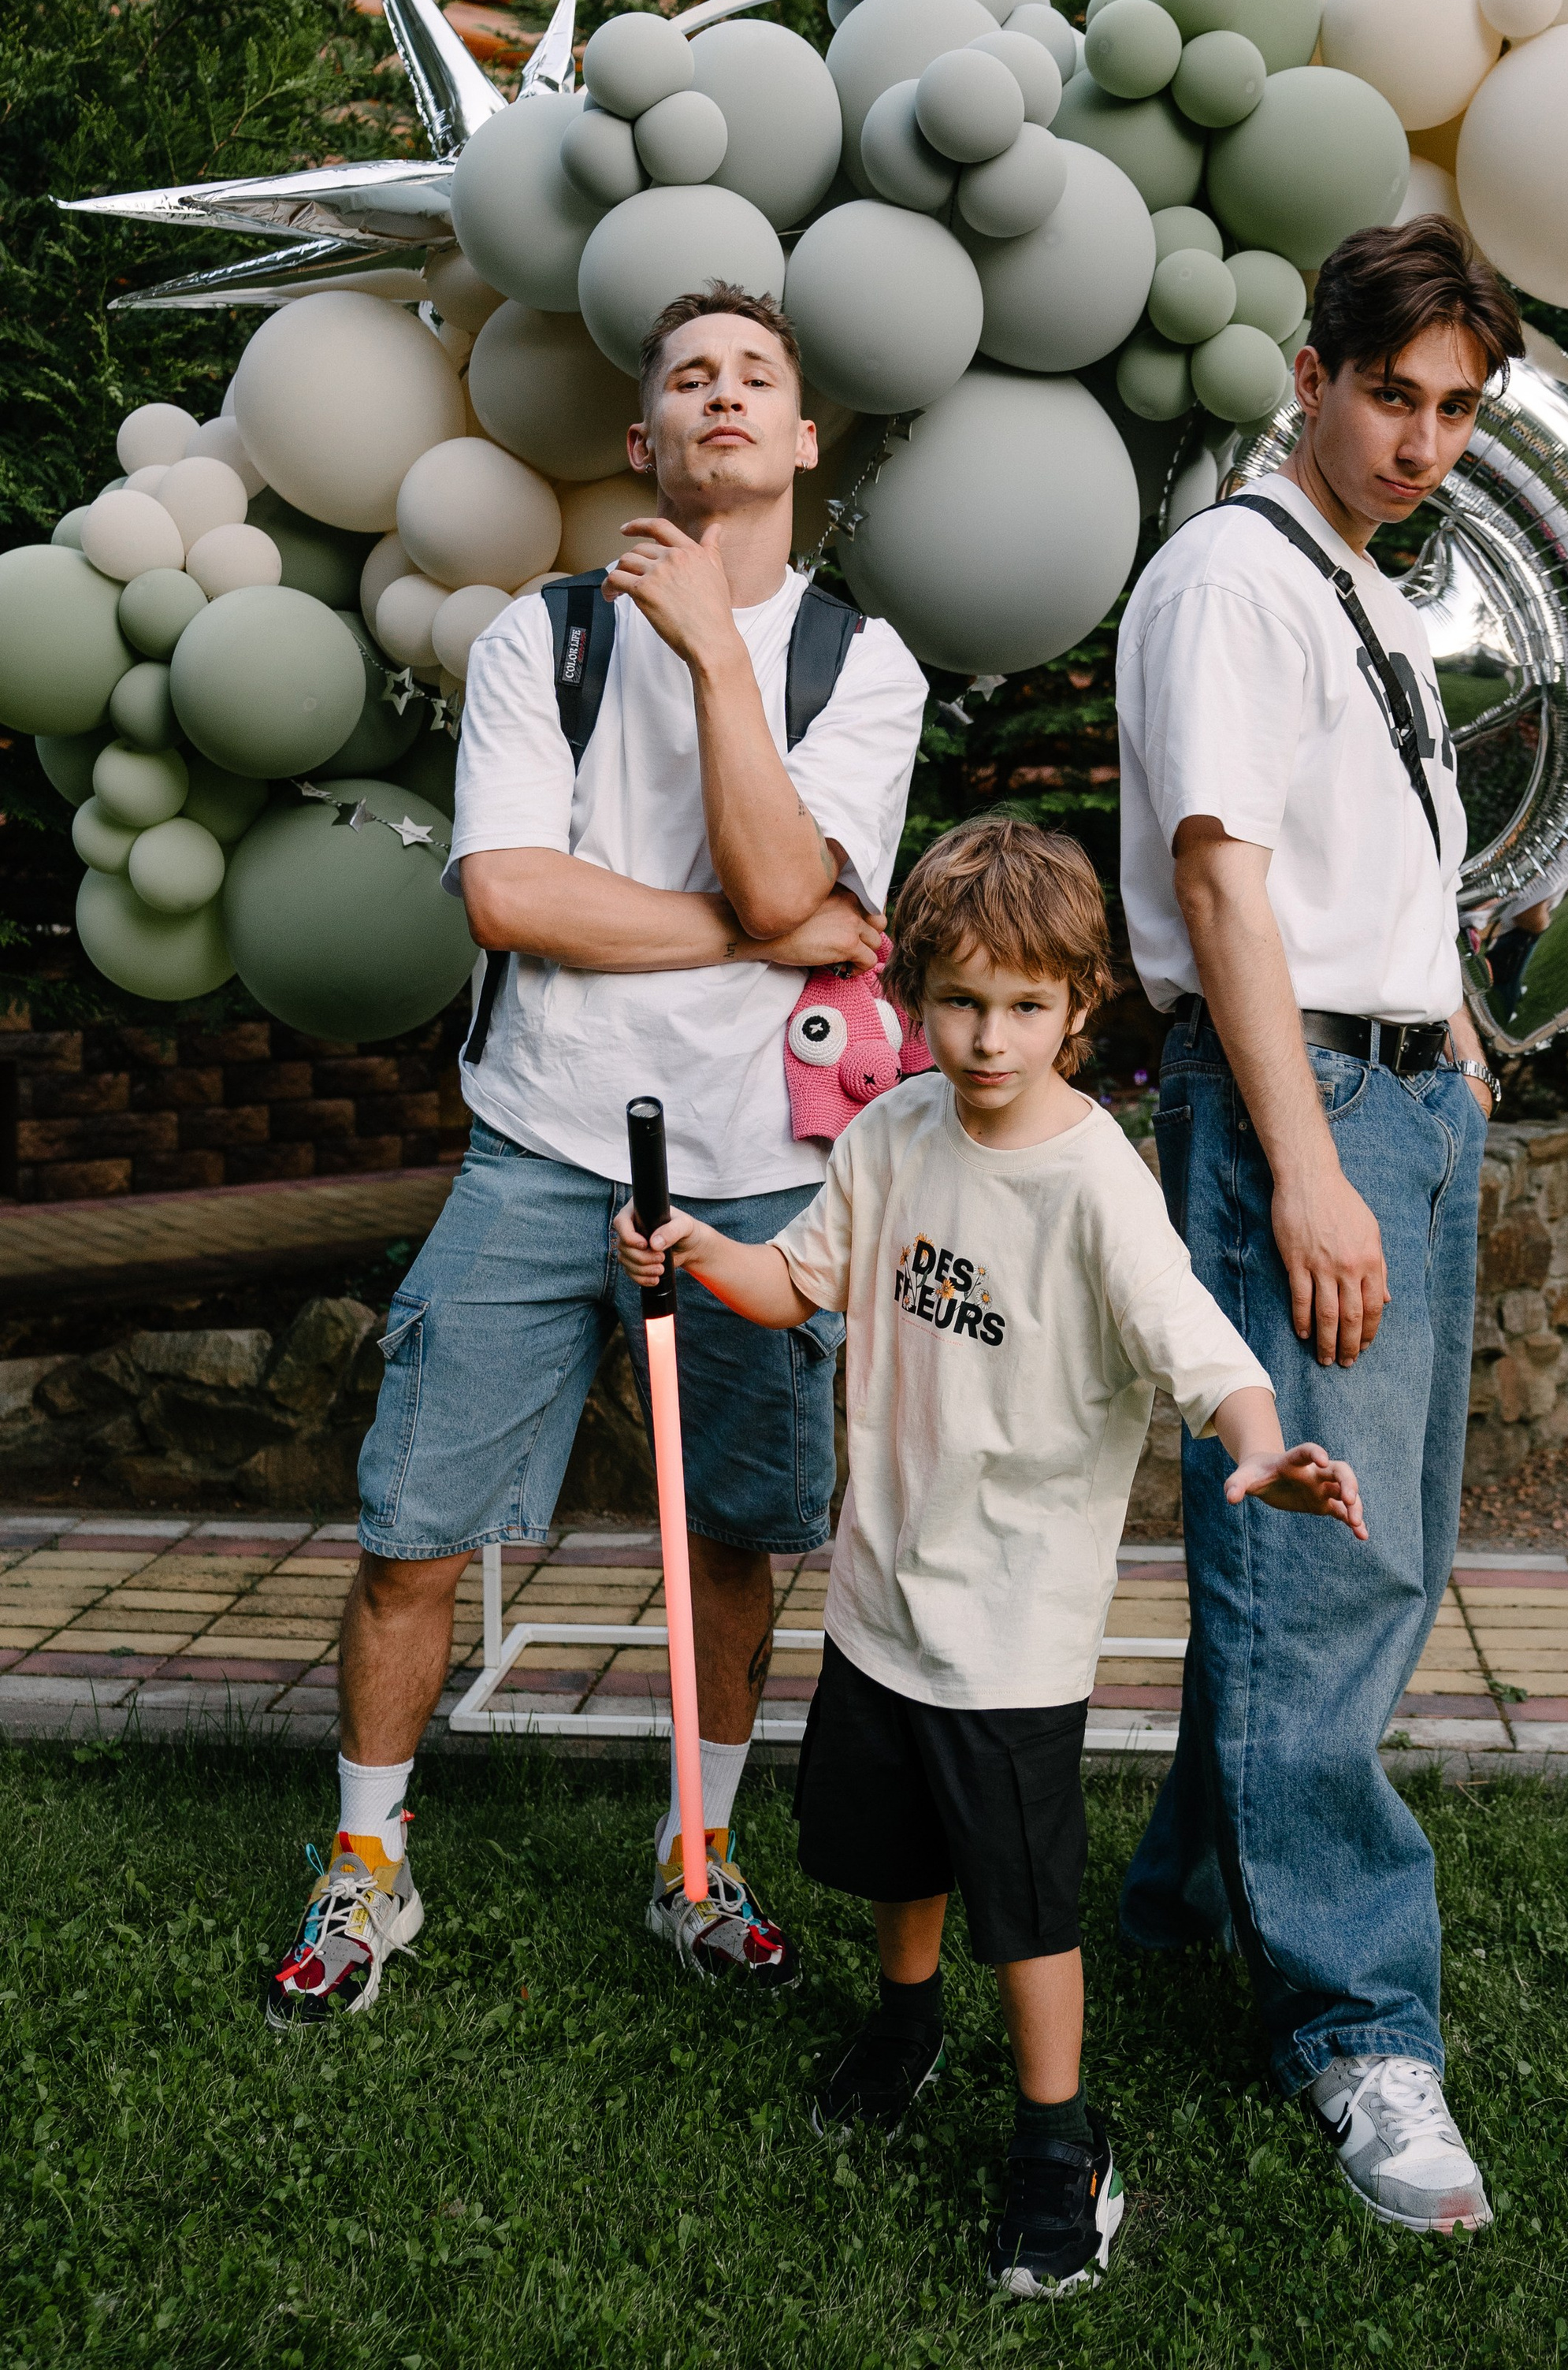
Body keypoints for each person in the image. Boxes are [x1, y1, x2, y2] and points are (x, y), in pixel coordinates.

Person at [266, 280, 928, 2029]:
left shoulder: (860, 666)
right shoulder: (537, 639)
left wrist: (715, 652)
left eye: (757, 376)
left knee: (736, 1540)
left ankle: (698, 1859)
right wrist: (762, 926)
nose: (725, 396)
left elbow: (792, 884)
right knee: (412, 1530)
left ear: (804, 437)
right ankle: (367, 1862)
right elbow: (510, 896)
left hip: (761, 1170)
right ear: (643, 439)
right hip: (543, 1144)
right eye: (690, 378)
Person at [616, 813, 1366, 2297]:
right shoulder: (893, 1133)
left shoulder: (1096, 1184)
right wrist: (696, 1248)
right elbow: (795, 1282)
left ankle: (1058, 2146)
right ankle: (904, 2026)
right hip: (881, 1596)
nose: (988, 1037)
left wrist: (1262, 1443)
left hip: (1012, 1631)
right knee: (895, 1856)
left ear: (1082, 1005)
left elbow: (1203, 1351)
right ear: (912, 994)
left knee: (1024, 1909)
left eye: (1027, 1006)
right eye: (960, 1001)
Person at [1113, 212, 1523, 2234]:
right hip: (1305, 1112)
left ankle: (1179, 1902)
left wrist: (1444, 1030)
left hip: (1393, 1091)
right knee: (1319, 1572)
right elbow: (1218, 882)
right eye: (1388, 395)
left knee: (1372, 1555)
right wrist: (1303, 1161)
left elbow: (1358, 866)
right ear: (1309, 377)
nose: (1418, 439)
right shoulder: (1230, 578)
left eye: (1453, 408)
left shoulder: (1351, 579)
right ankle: (1359, 2029)